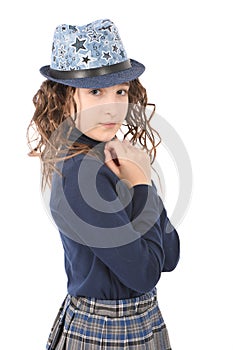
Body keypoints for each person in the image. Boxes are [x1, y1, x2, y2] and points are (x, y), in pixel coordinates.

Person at [27, 19, 180, 350]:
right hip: (107, 332)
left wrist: (143, 183)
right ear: (65, 98)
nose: (113, 106)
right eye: (95, 91)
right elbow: (144, 274)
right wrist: (140, 184)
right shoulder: (80, 174)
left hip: (142, 321)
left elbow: (169, 255)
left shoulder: (108, 161)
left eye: (120, 91)